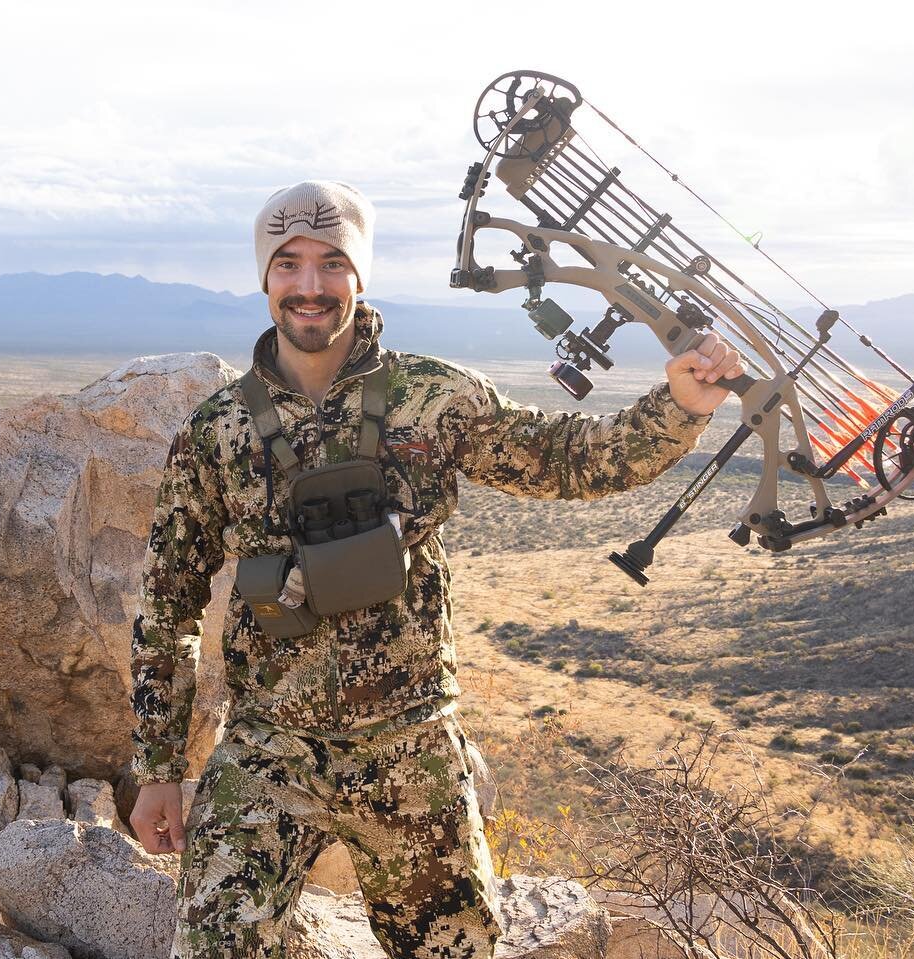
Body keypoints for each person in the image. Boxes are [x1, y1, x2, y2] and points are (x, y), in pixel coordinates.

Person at [129, 180, 743, 958]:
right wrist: (157, 766)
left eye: (331, 262)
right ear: (265, 277)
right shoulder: (214, 431)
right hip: (268, 746)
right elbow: (168, 601)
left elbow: (568, 461)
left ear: (360, 274)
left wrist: (678, 404)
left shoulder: (433, 397)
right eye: (288, 264)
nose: (310, 285)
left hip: (411, 744)